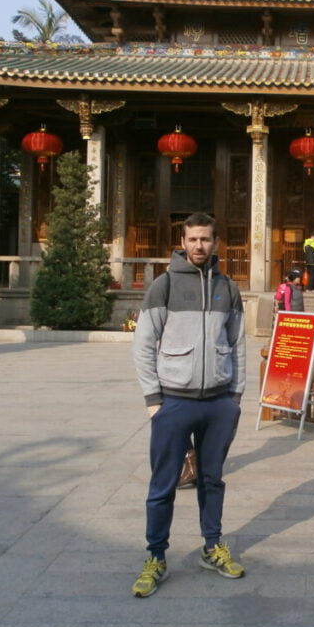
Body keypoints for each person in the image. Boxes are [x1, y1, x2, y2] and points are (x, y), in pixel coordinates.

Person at [130, 212, 246, 597]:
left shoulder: (227, 288)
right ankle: (156, 556)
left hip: (217, 403)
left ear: (216, 243)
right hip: (174, 402)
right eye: (193, 239)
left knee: (211, 479)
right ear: (183, 241)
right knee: (163, 484)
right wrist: (153, 400)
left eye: (207, 239)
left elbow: (238, 343)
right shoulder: (163, 286)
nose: (200, 246)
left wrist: (235, 397)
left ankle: (211, 547)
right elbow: (144, 344)